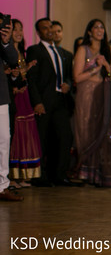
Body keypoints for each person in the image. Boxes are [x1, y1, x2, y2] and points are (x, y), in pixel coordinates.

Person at [71, 20, 111, 187]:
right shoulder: (83, 49)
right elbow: (77, 77)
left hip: (103, 94)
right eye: (96, 27)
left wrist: (106, 64)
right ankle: (84, 173)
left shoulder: (106, 51)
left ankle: (97, 174)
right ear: (89, 32)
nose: (100, 30)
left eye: (102, 27)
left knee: (101, 131)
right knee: (86, 131)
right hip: (86, 94)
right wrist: (95, 67)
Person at [26, 18, 74, 186]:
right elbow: (31, 79)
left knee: (63, 137)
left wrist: (67, 83)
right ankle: (40, 176)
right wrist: (37, 102)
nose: (50, 31)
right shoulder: (34, 50)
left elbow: (68, 74)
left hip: (61, 100)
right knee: (42, 138)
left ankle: (59, 175)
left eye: (51, 27)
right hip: (44, 101)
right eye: (45, 29)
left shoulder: (63, 53)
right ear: (38, 33)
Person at [8, 19, 41, 188]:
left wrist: (26, 70)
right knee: (16, 134)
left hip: (25, 96)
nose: (19, 33)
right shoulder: (7, 53)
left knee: (26, 133)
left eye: (21, 29)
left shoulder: (21, 52)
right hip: (14, 98)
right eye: (15, 30)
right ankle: (11, 175)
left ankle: (23, 175)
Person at [0, 15, 24, 201]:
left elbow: (13, 59)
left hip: (1, 95)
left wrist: (6, 41)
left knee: (3, 139)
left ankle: (2, 185)